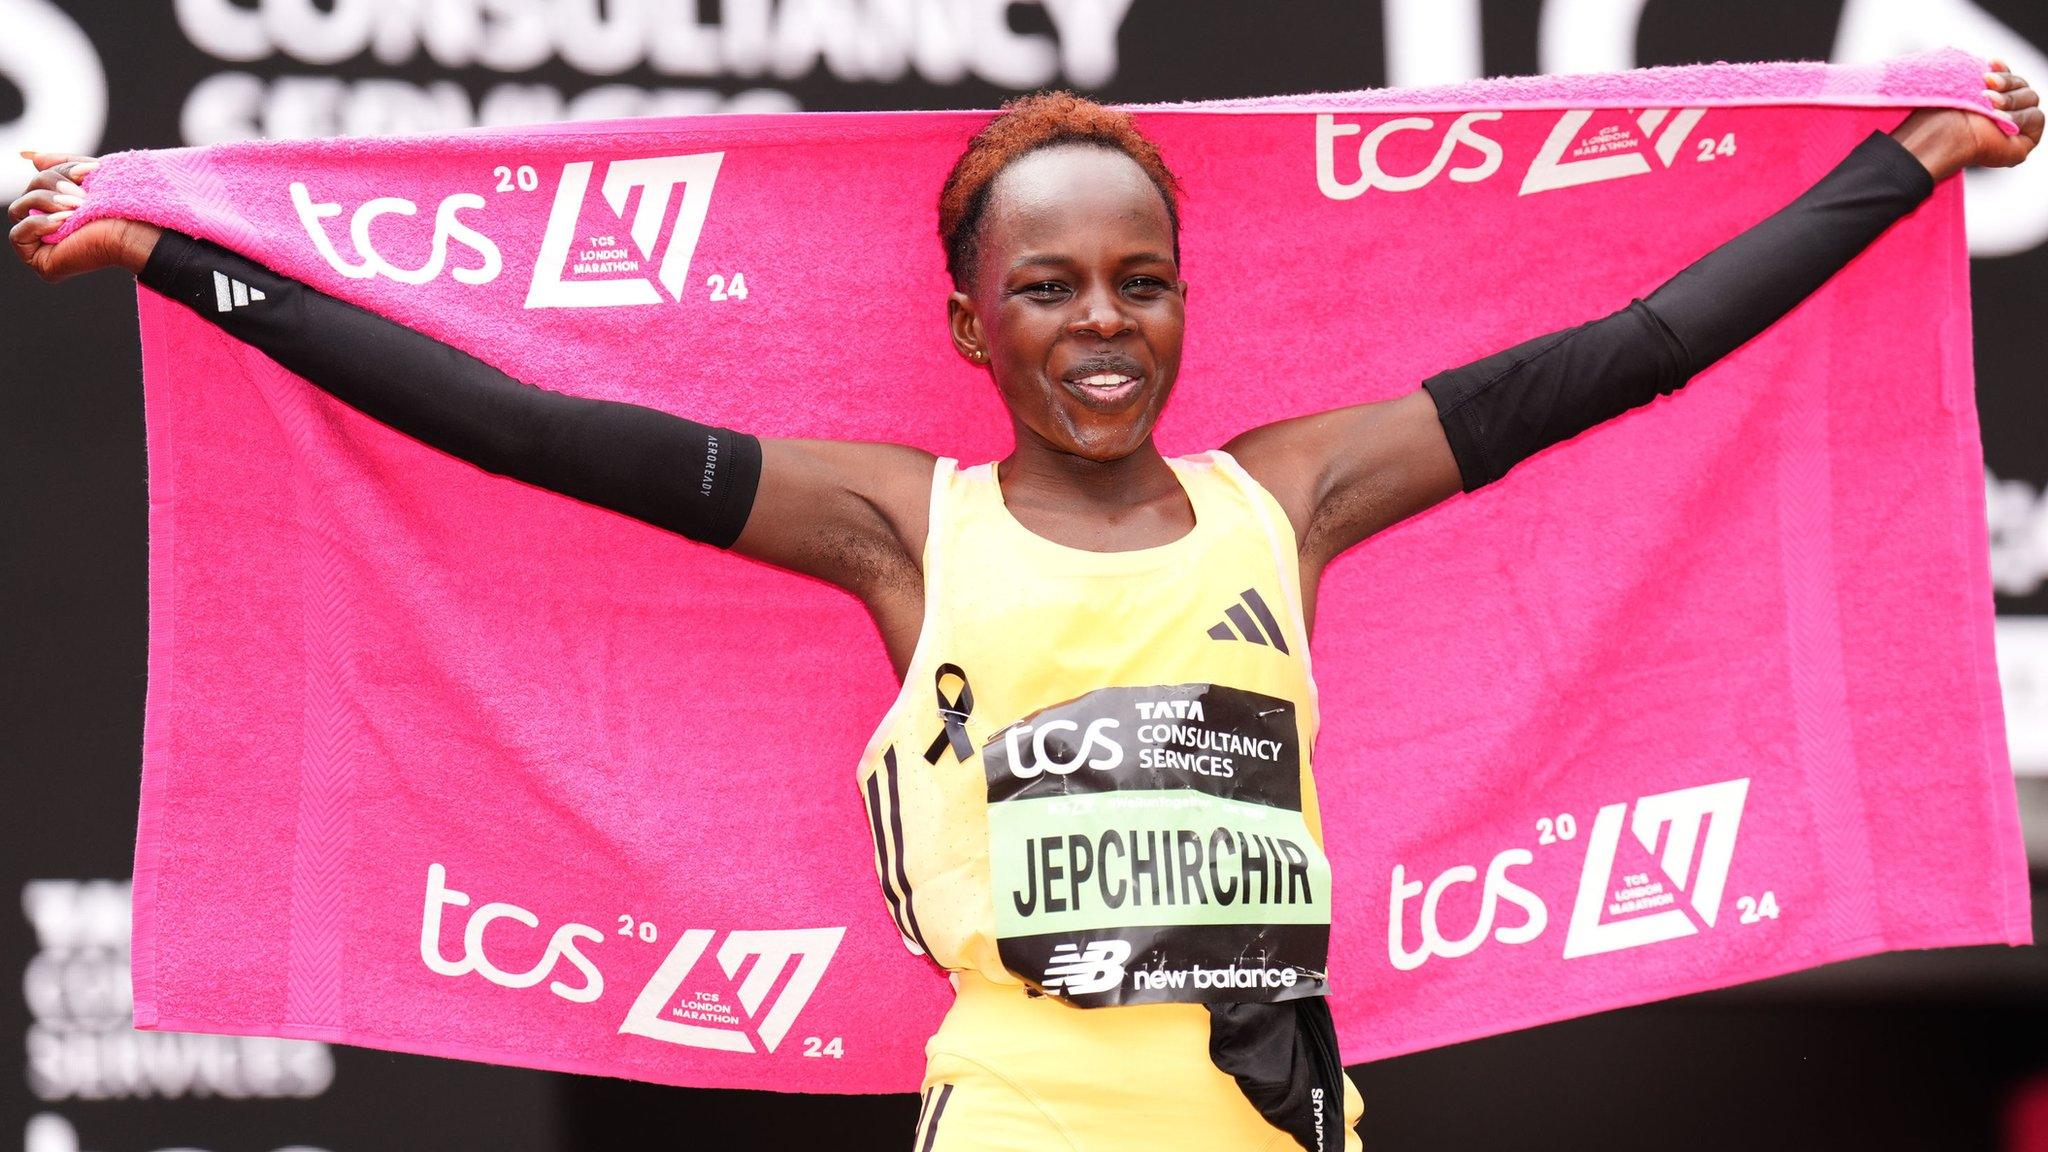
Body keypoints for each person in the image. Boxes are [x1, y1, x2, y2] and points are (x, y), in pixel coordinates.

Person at [10, 60, 2039, 1151]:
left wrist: (1898, 169)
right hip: (1028, 1119)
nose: (1101, 323)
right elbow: (524, 426)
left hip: (1275, 1115)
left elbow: (1638, 347)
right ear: (968, 320)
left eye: (1138, 280)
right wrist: (190, 267)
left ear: (1182, 295)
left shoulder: (1294, 494)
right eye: (1050, 288)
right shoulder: (901, 529)